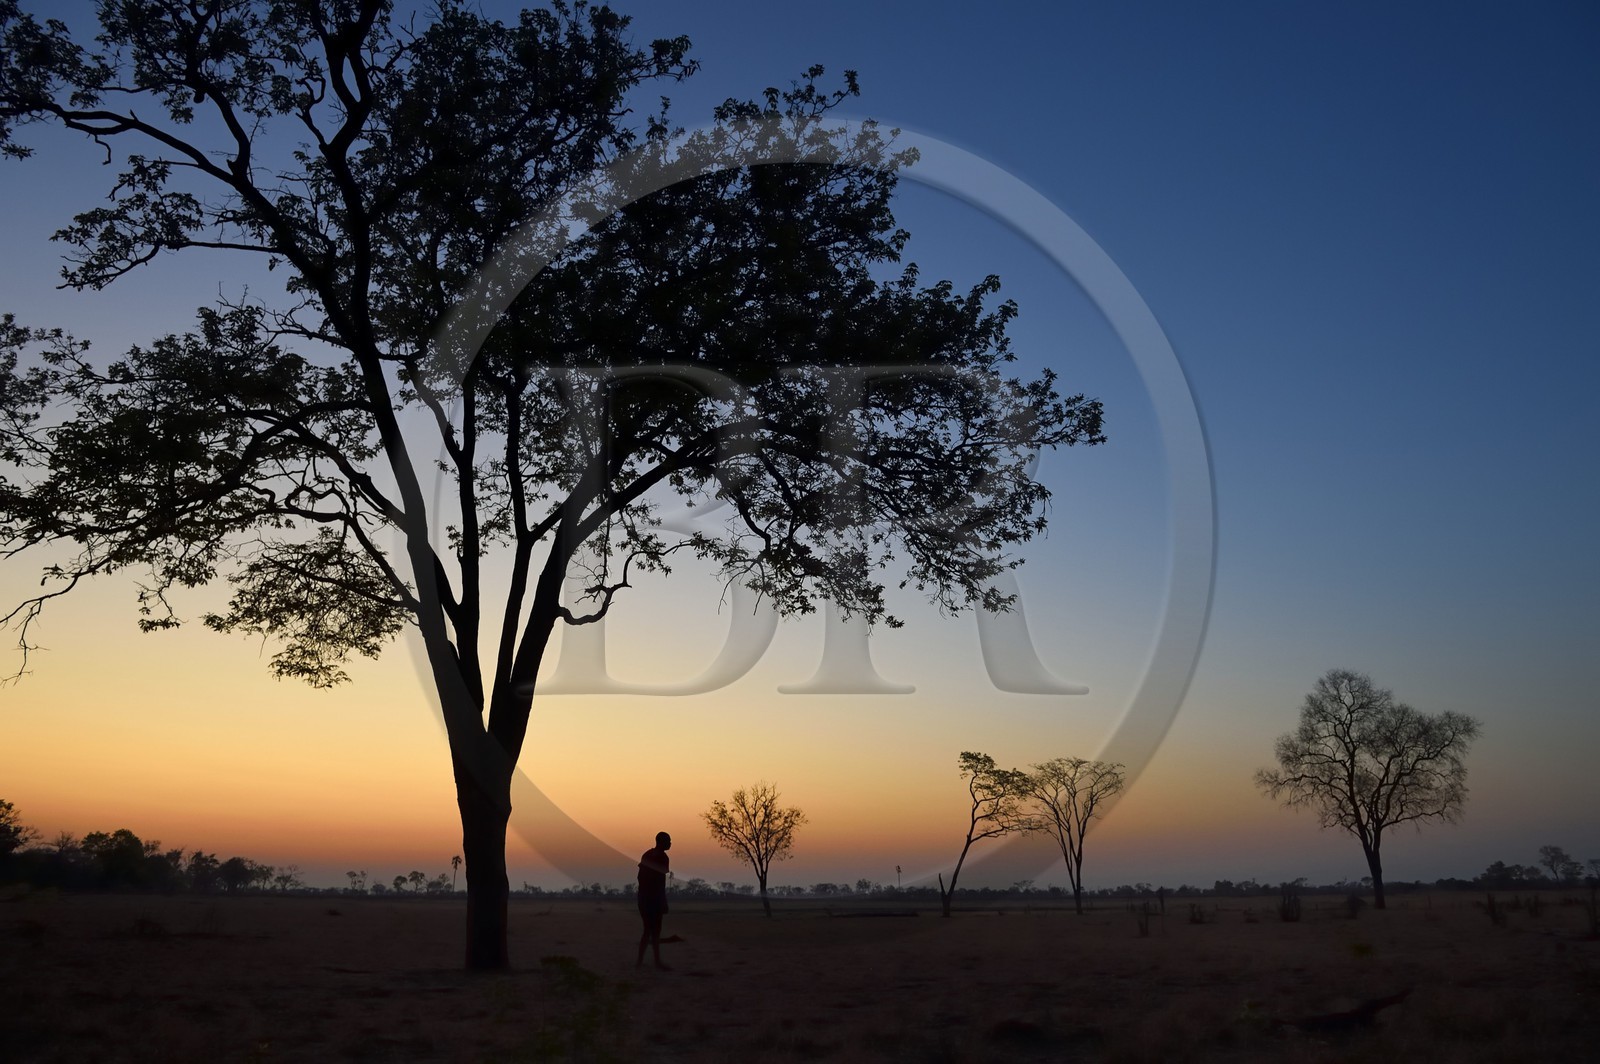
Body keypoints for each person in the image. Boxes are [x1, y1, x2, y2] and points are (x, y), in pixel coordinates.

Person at [636, 830, 671, 969]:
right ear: (661, 842)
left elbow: (640, 877)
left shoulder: (647, 854)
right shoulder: (663, 858)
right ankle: (656, 962)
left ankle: (641, 962)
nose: (670, 843)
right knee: (655, 931)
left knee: (647, 930)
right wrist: (662, 901)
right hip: (653, 898)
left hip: (644, 898)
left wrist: (645, 893)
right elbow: (660, 882)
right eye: (668, 841)